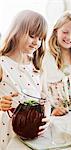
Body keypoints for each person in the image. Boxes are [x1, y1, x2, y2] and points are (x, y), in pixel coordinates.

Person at [0, 10, 49, 150]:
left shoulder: (37, 66)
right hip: (8, 136)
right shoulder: (2, 64)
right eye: (32, 36)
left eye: (41, 38)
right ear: (16, 32)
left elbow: (45, 99)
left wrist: (47, 118)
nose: (37, 42)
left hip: (34, 136)